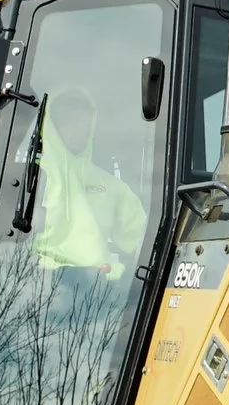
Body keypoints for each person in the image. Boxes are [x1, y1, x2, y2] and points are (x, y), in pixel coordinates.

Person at [34, 86, 147, 276]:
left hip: (96, 284)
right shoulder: (32, 177)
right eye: (69, 122)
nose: (79, 130)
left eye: (84, 123)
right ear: (51, 126)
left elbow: (140, 237)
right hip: (38, 279)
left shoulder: (110, 185)